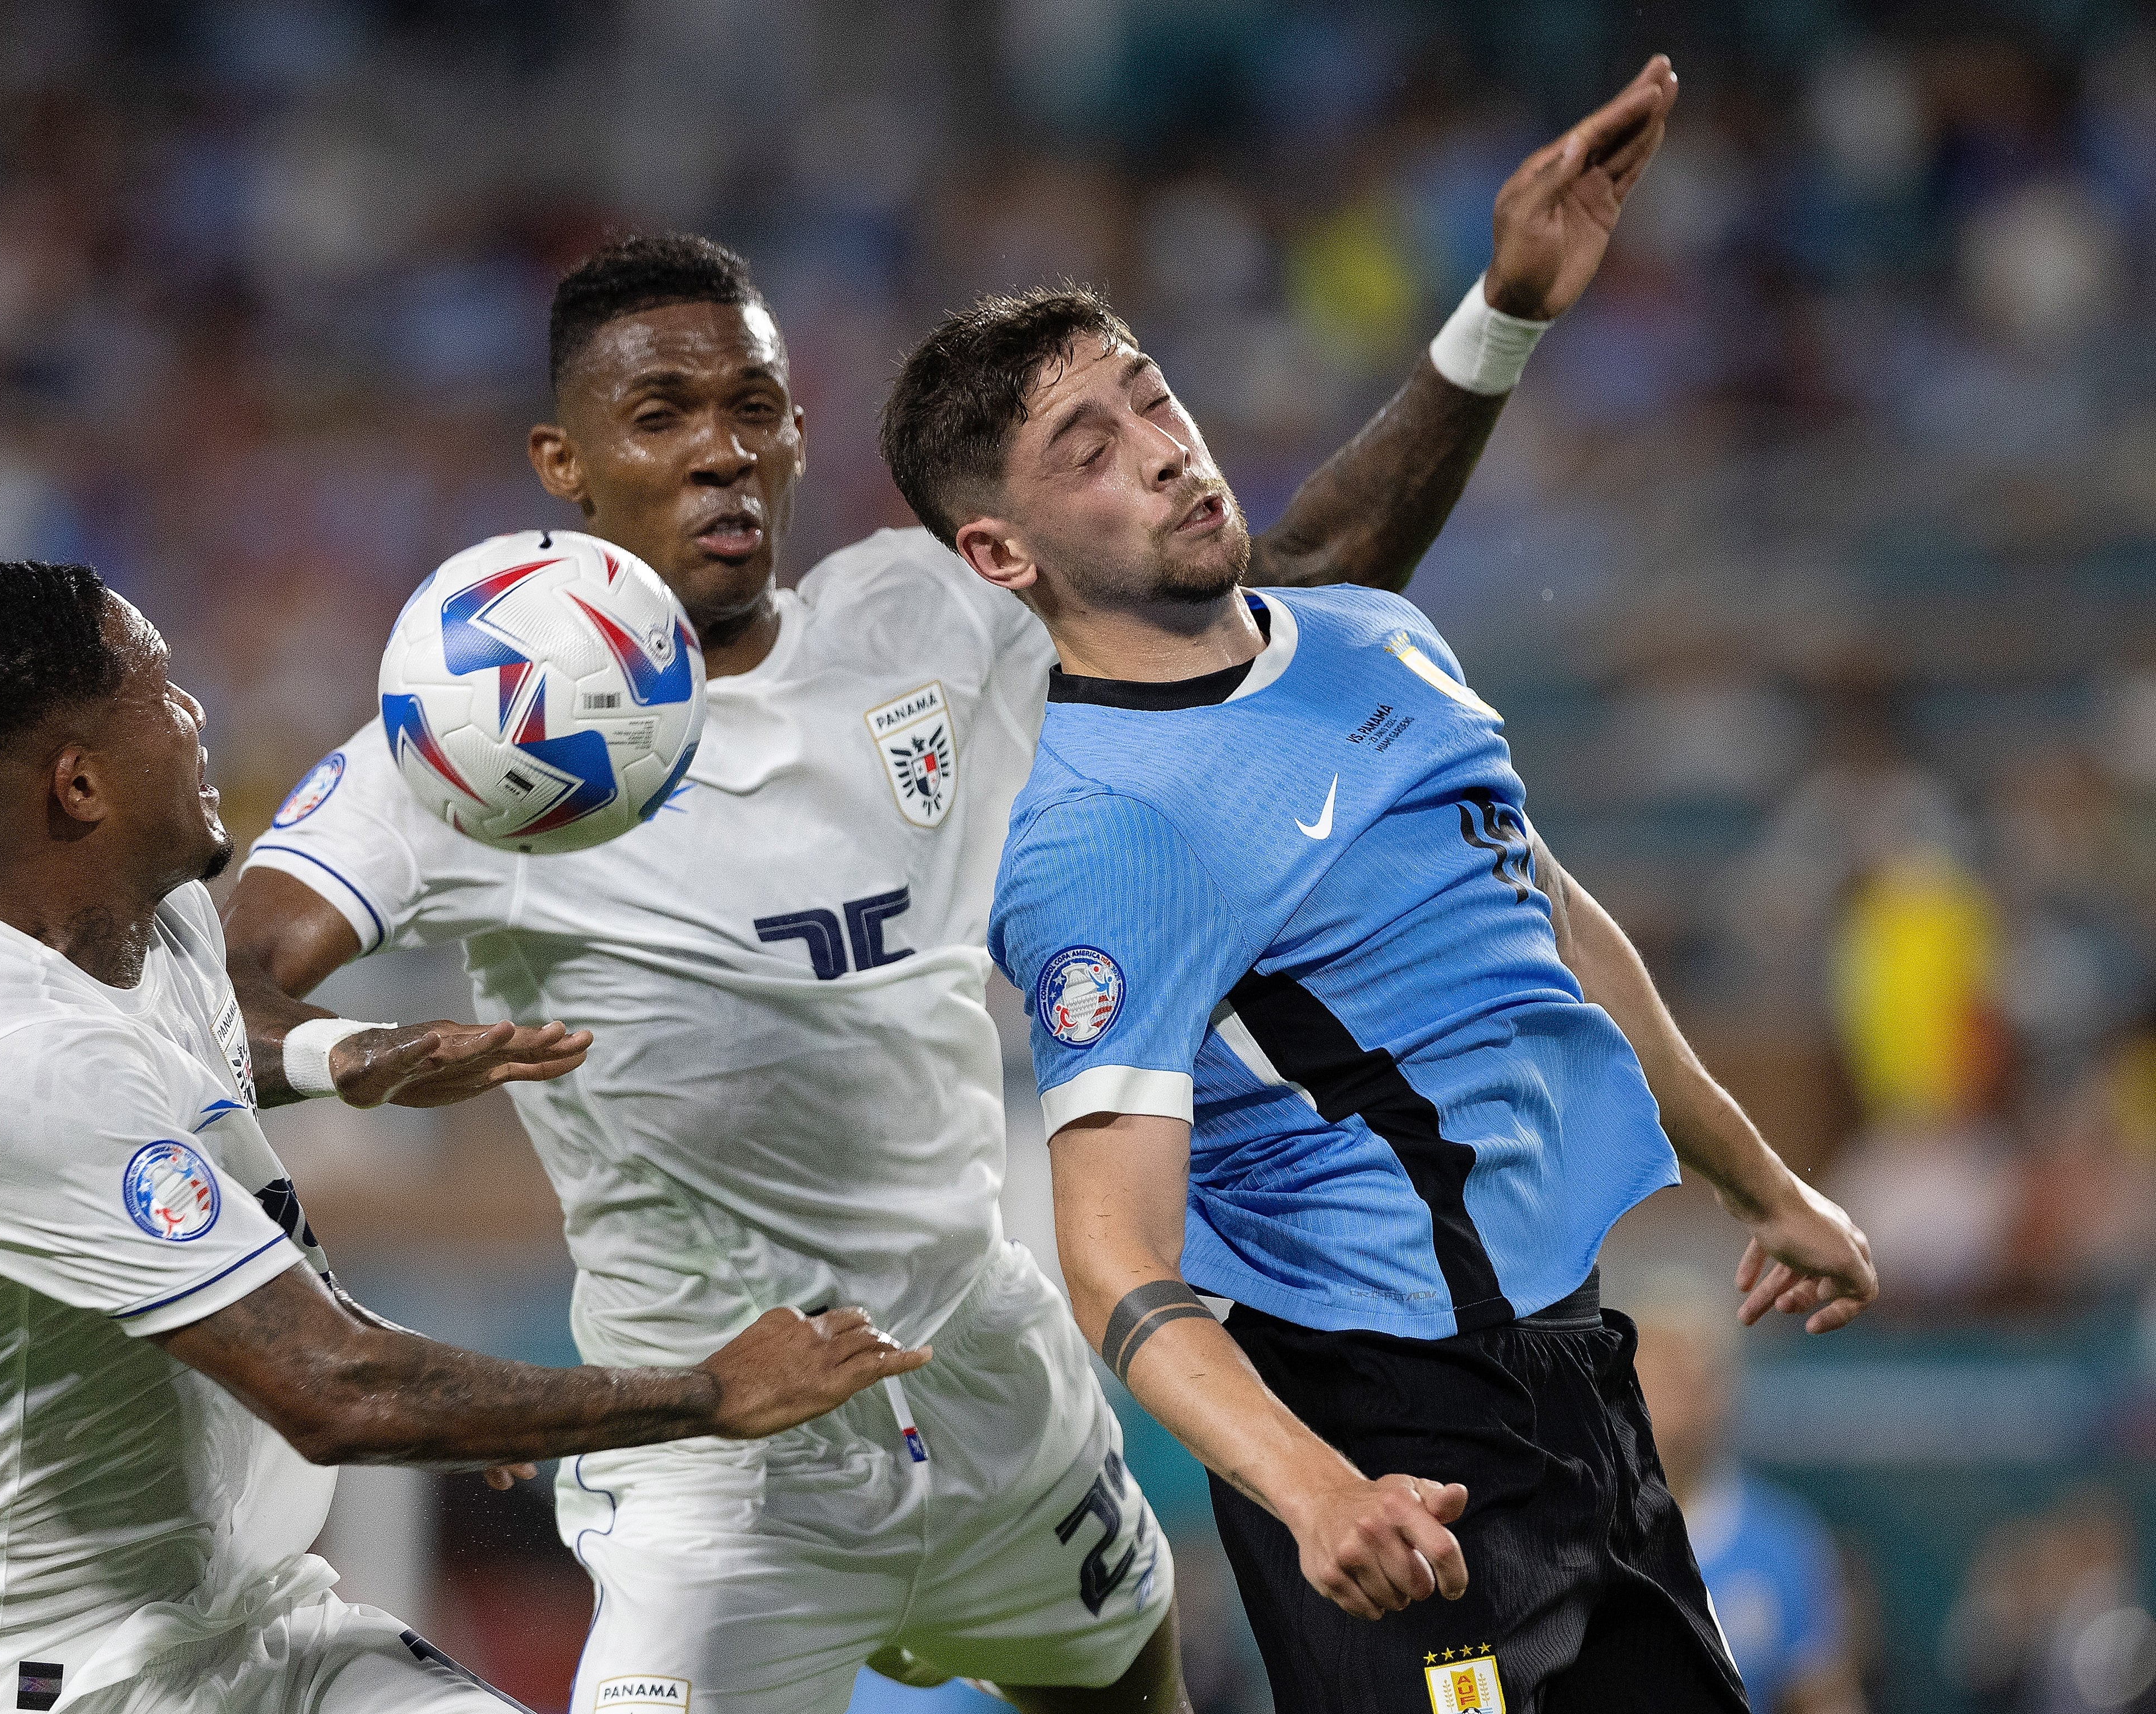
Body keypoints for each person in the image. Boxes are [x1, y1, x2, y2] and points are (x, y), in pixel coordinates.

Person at [222, 59, 1683, 1714]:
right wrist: (354, 1059)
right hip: (721, 1448)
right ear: (565, 462)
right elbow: (218, 987)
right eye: (662, 418)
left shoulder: (915, 623)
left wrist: (1495, 318)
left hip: (988, 1384)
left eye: (754, 408)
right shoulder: (479, 733)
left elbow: (1261, 606)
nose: (722, 455)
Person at [873, 84, 1880, 1714]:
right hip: (1385, 1439)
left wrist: (1763, 1182)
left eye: (1151, 397)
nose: (1165, 449)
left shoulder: (1371, 639)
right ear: (1002, 554)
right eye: (1091, 449)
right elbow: (1114, 1259)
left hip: (1579, 1382)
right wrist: (1308, 1484)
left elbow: (1550, 926)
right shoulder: (1096, 832)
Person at [0, 561, 922, 1714]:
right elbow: (334, 1392)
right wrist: (704, 1395)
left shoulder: (109, 909)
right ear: (81, 785)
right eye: (160, 692)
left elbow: (168, 1047)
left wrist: (343, 1057)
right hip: (30, 1682)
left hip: (243, 1619)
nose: (197, 716)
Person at [1630, 1278, 1867, 1714]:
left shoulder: (1784, 1541)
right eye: (1653, 1377)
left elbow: (1821, 1695)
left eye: (1686, 1378)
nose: (1670, 1401)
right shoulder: (1572, 1532)